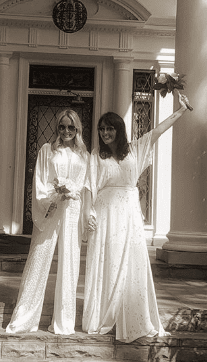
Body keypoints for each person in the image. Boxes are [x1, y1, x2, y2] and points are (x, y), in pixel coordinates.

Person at [82, 92, 190, 343]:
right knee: (107, 262)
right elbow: (88, 186)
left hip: (129, 214)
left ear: (119, 130)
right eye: (101, 129)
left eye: (109, 128)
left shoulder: (134, 150)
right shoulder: (96, 155)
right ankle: (103, 314)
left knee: (131, 262)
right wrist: (88, 212)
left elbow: (157, 132)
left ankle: (129, 313)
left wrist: (181, 110)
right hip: (105, 214)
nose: (105, 133)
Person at [6, 110, 89, 335]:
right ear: (57, 128)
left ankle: (64, 322)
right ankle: (25, 318)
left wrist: (74, 193)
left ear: (77, 129)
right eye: (62, 127)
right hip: (51, 208)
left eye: (71, 128)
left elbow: (84, 185)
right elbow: (40, 180)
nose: (66, 131)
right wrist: (53, 198)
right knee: (39, 257)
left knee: (70, 262)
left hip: (72, 211)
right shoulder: (47, 150)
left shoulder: (84, 154)